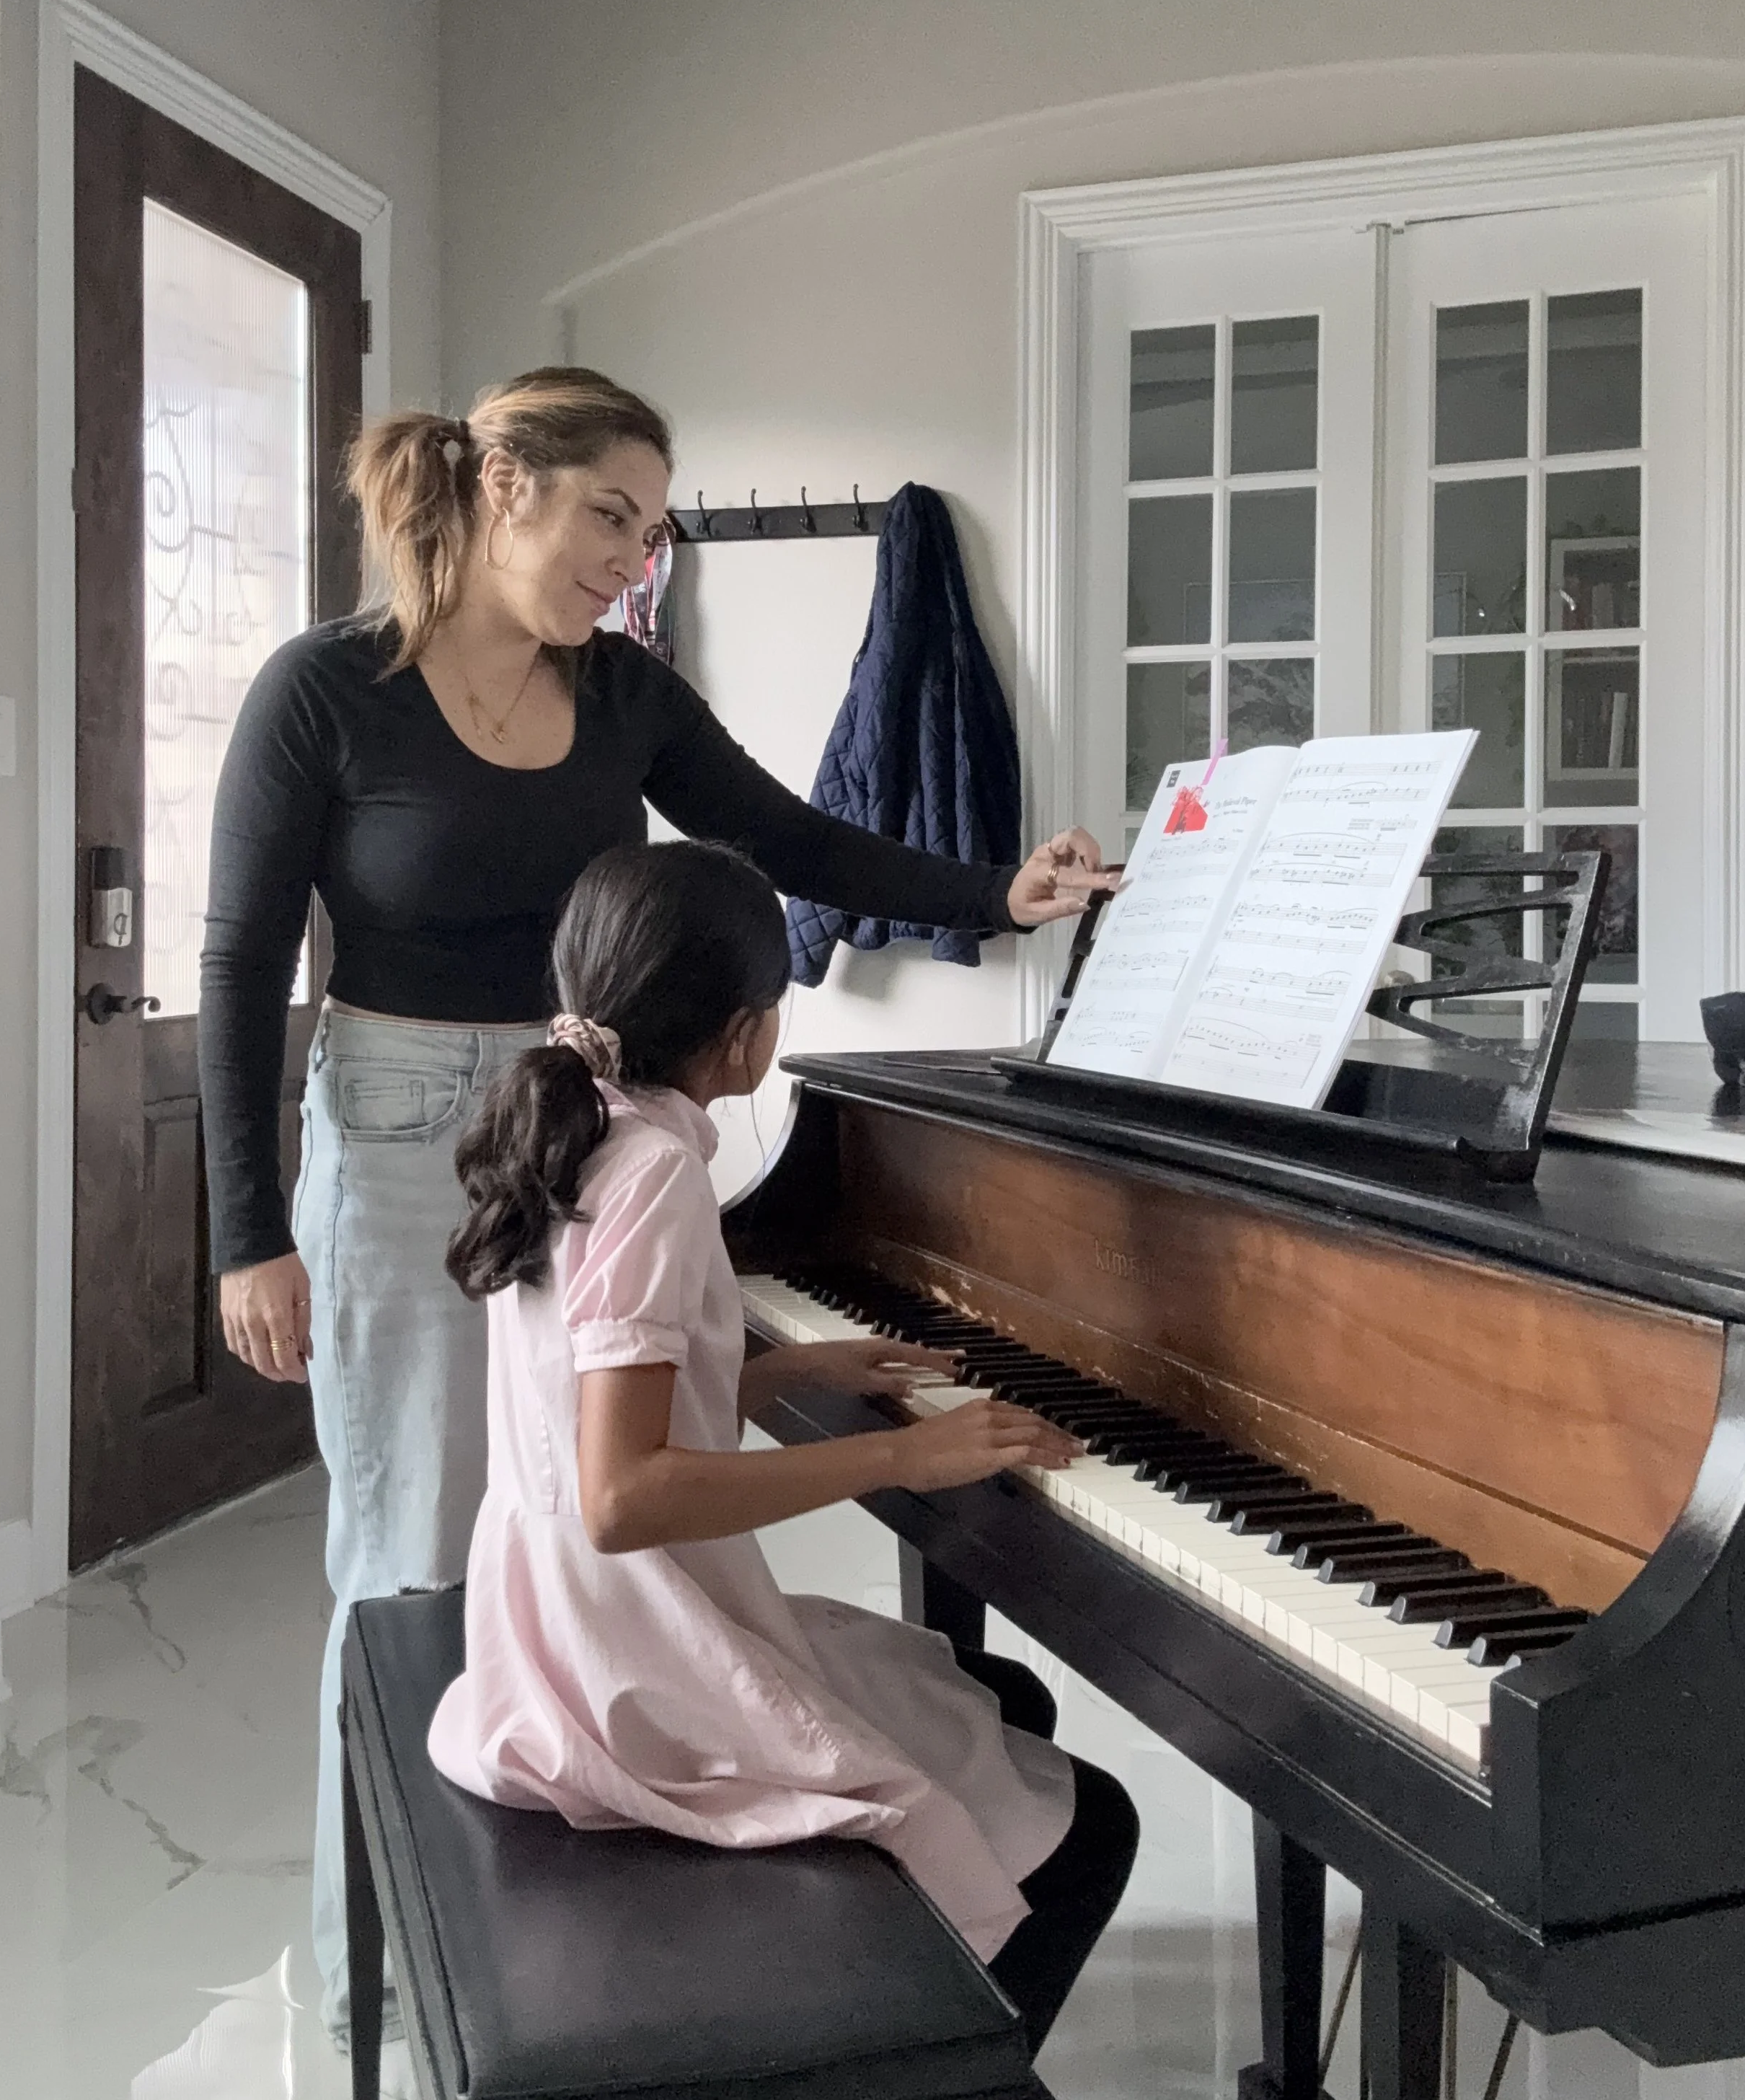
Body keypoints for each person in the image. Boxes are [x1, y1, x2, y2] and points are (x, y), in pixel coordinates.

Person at [198, 364, 1115, 2031]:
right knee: (411, 1574)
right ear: (495, 484)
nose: (629, 560)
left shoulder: (624, 695)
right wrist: (245, 1231)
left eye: (648, 529)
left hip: (580, 1117)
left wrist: (997, 890)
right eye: (606, 515)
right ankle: (365, 1992)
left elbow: (786, 835)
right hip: (395, 1139)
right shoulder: (323, 693)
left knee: (571, 1562)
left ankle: (582, 1985)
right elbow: (243, 963)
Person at [429, 841, 1139, 2053]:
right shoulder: (654, 1174)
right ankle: (926, 2070)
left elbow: (588, 1404)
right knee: (1097, 1824)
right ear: (751, 1034)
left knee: (995, 1696)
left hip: (553, 1624)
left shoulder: (577, 1122)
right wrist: (903, 1459)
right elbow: (622, 1494)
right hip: (631, 1660)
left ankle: (907, 1994)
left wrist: (777, 1373)